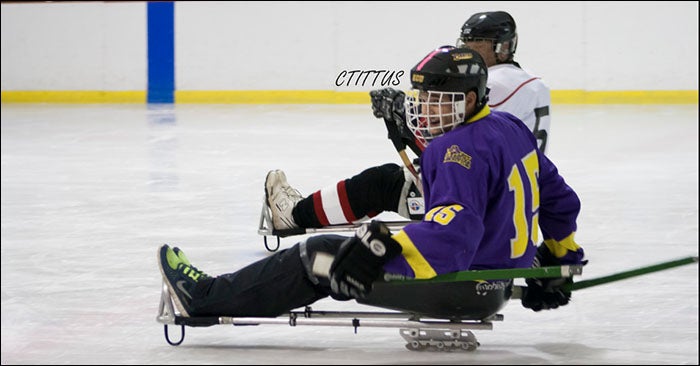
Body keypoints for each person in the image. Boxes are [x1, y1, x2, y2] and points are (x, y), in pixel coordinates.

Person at [158, 46, 586, 318]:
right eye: (421, 100)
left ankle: (202, 298)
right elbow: (560, 201)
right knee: (365, 231)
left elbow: (456, 235)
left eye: (437, 102)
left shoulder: (455, 149)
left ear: (470, 100)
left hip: (459, 287)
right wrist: (556, 259)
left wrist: (386, 249)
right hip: (493, 281)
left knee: (317, 255)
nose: (424, 112)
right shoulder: (509, 127)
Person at [265, 10, 553, 232]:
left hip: (480, 197)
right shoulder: (531, 83)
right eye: (467, 42)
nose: (470, 50)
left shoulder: (496, 83)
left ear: (503, 48)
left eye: (480, 44)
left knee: (383, 184)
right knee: (399, 178)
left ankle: (294, 215)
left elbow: (456, 145)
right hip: (516, 192)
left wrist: (402, 112)